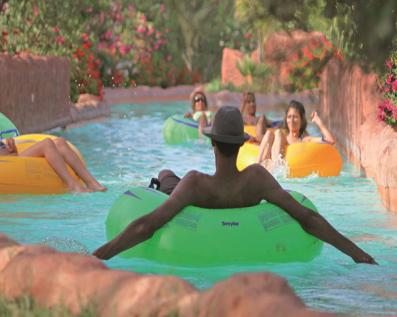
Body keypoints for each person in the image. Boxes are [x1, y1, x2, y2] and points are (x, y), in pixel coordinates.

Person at [93, 106, 376, 264]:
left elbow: (147, 225)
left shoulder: (194, 183)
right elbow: (307, 218)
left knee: (167, 173)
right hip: (234, 195)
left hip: (186, 194)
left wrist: (98, 256)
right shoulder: (256, 180)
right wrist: (358, 254)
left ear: (212, 143)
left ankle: (163, 178)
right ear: (241, 144)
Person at [0, 137, 106, 193]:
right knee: (47, 143)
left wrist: (12, 148)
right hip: (6, 164)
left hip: (12, 159)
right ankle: (73, 185)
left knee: (60, 143)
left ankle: (91, 182)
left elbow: (10, 153)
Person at [257, 100, 335, 167]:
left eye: (295, 117)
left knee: (277, 132)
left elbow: (330, 141)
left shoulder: (304, 139)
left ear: (302, 120)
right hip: (270, 168)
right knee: (271, 133)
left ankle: (276, 167)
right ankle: (259, 166)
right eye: (289, 117)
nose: (291, 120)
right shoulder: (279, 136)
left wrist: (319, 122)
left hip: (285, 175)